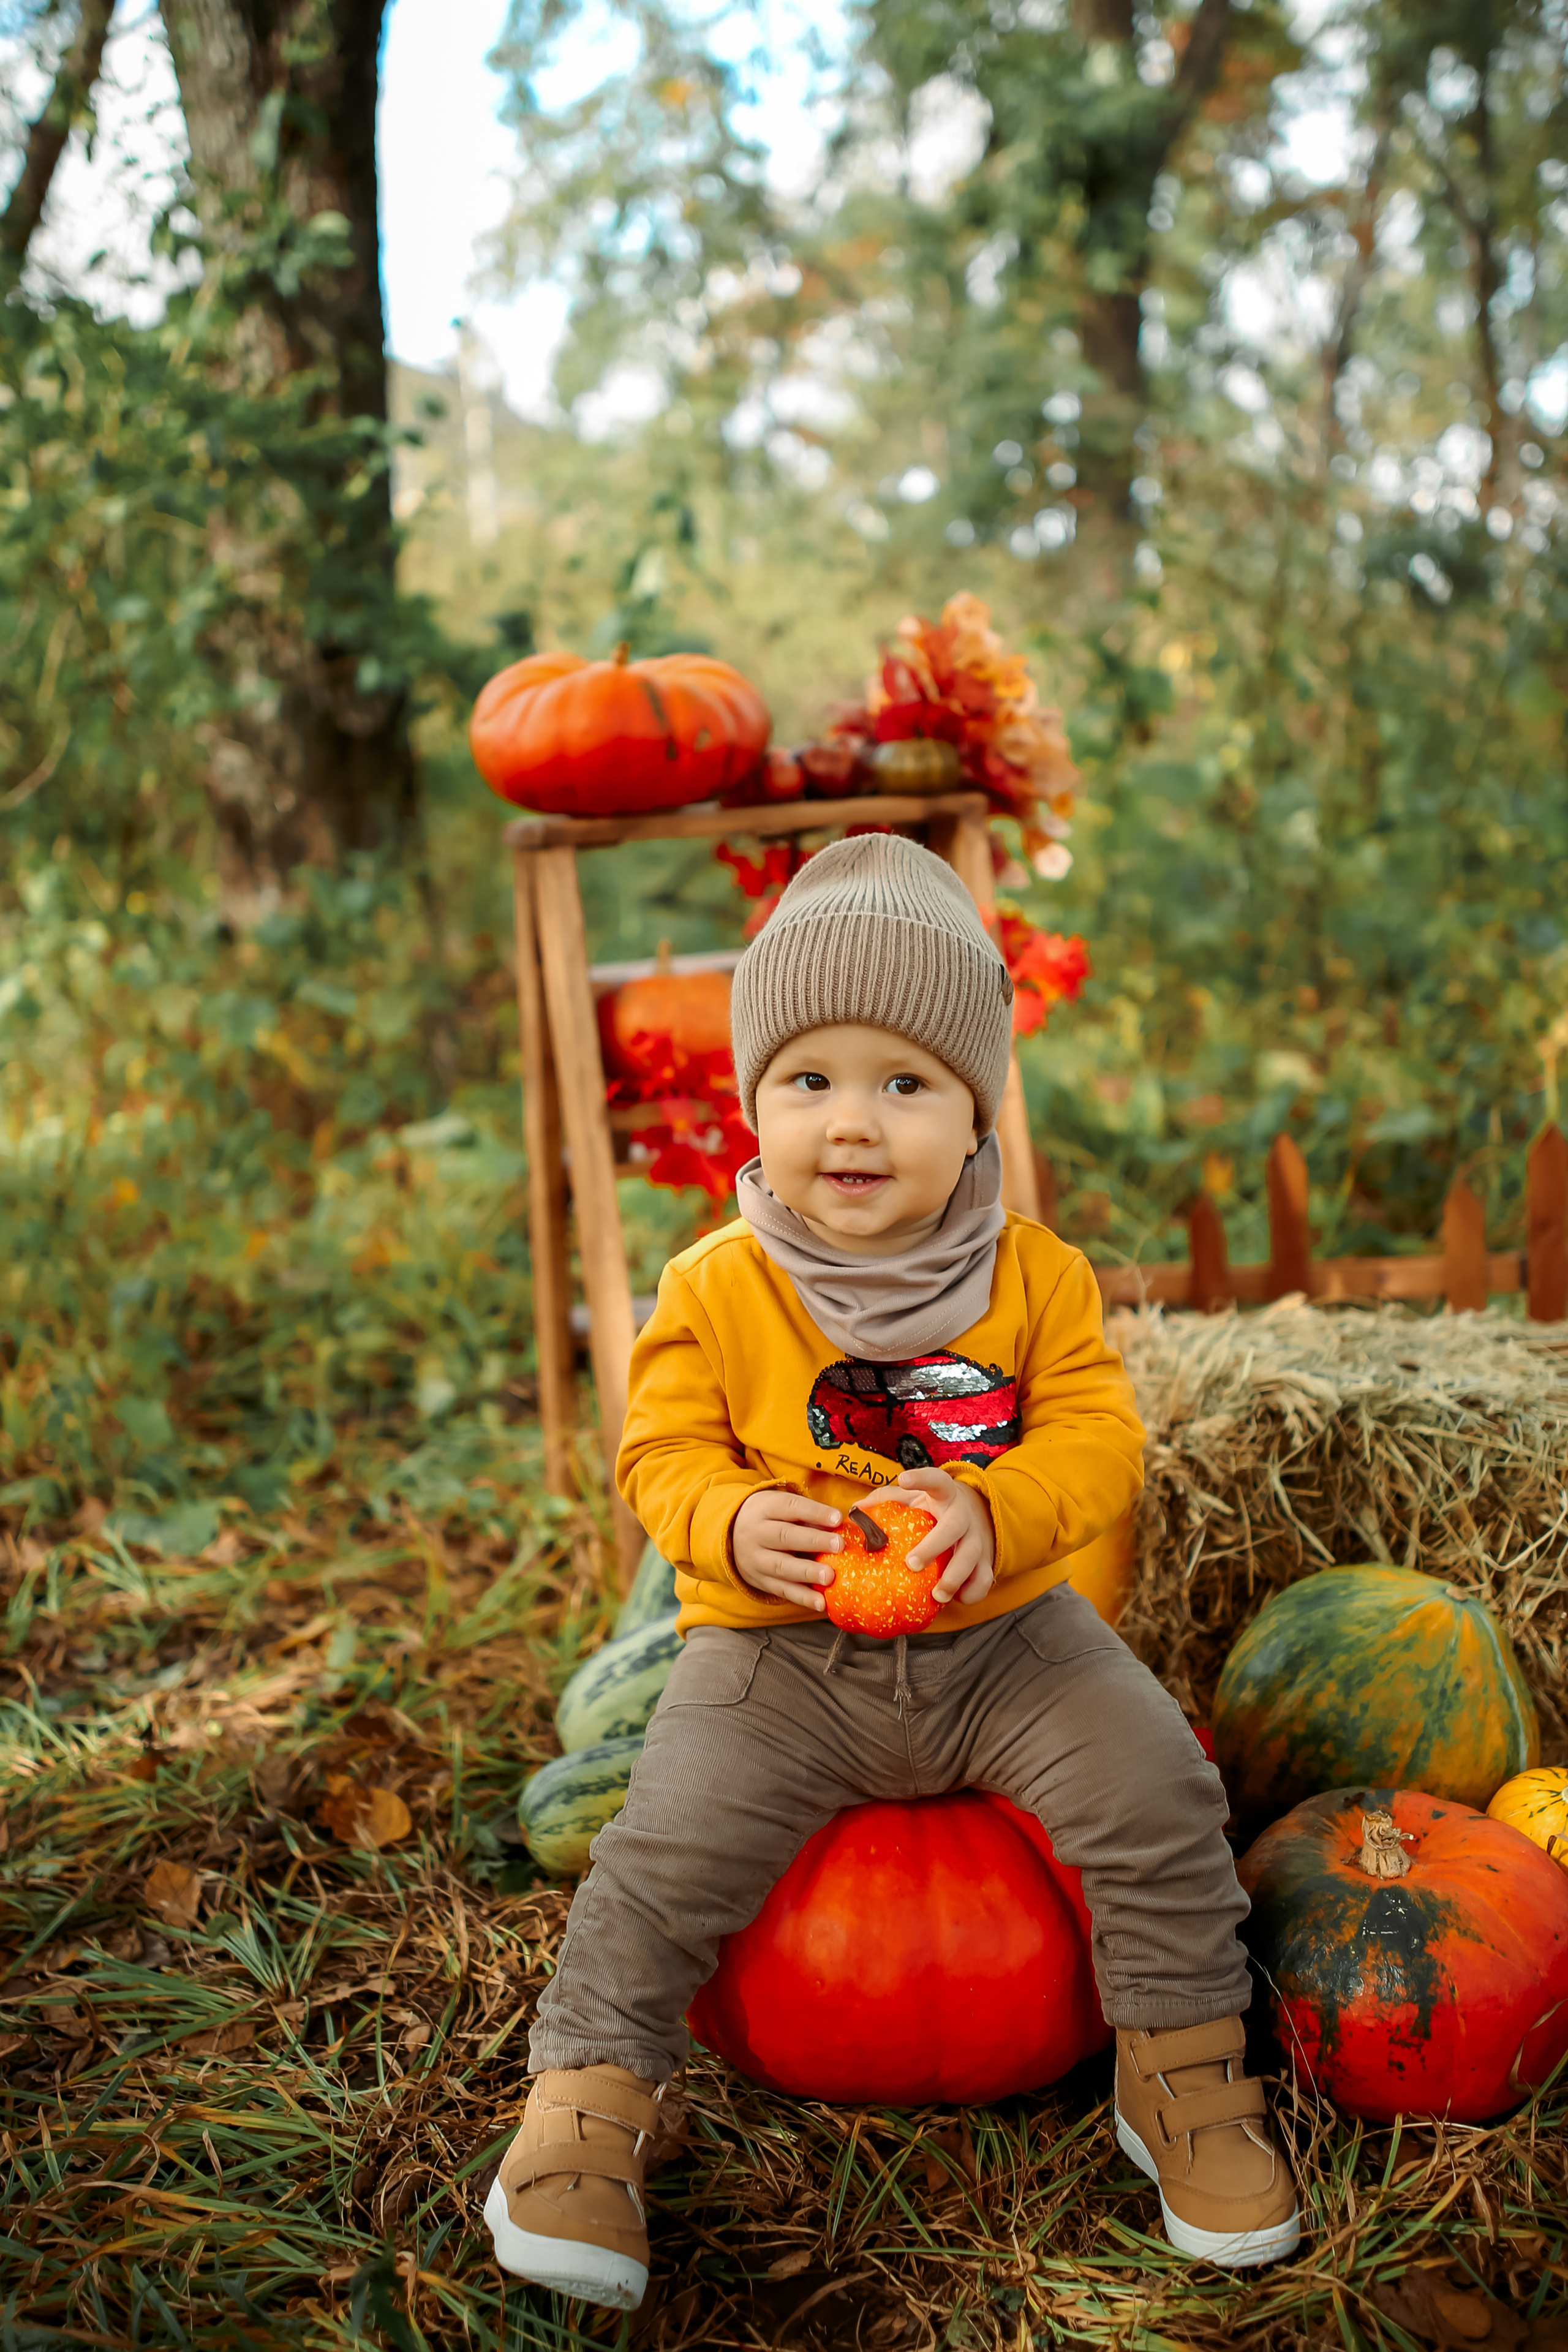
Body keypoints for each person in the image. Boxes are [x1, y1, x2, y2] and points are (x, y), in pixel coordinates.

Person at [484, 834, 1300, 2309]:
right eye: (809, 1080)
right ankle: (586, 2109)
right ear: (754, 1100)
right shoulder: (712, 1286)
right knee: (662, 1849)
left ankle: (1181, 2071)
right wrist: (729, 1523)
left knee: (1157, 1790)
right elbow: (654, 1458)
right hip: (775, 1664)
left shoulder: (1032, 1275)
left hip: (1004, 1645)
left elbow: (1102, 1444)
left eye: (903, 1083)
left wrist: (1004, 1508)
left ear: (975, 1111)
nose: (850, 1124)